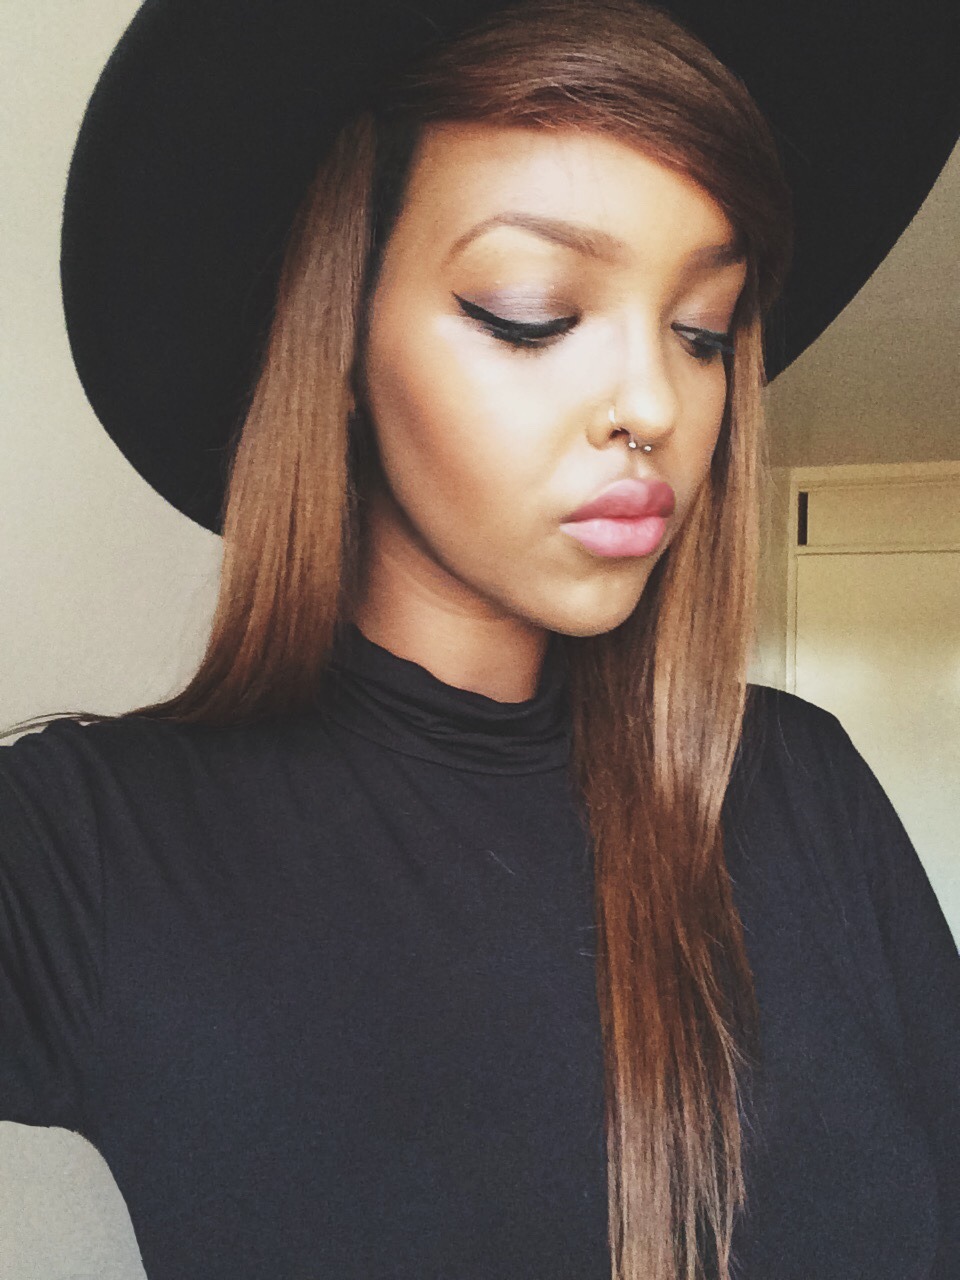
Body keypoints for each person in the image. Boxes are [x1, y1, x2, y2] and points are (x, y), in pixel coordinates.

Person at [3, 1, 959, 1278]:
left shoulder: (800, 784)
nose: (653, 402)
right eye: (532, 310)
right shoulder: (87, 848)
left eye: (702, 330)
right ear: (341, 341)